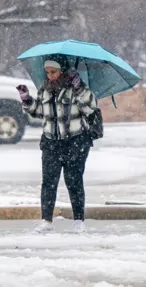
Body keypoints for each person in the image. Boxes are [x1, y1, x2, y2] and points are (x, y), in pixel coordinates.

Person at [17, 57, 97, 233]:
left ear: (62, 70)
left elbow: (90, 107)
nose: (50, 75)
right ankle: (46, 220)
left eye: (53, 72)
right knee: (49, 182)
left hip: (75, 141)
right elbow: (39, 112)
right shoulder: (45, 90)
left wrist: (79, 88)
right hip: (51, 142)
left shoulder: (76, 88)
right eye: (47, 72)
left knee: (74, 181)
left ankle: (78, 220)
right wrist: (27, 100)